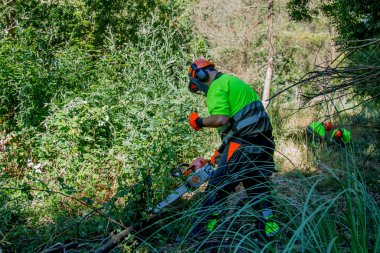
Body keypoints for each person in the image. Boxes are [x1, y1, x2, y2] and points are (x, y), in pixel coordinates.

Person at [186, 58, 278, 243]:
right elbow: (242, 121)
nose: (201, 92)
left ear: (201, 76)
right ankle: (268, 231)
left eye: (197, 87)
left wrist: (198, 122)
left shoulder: (216, 87)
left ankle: (203, 234)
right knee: (258, 188)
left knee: (217, 190)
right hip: (263, 144)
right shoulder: (234, 82)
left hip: (242, 146)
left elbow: (220, 119)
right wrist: (222, 149)